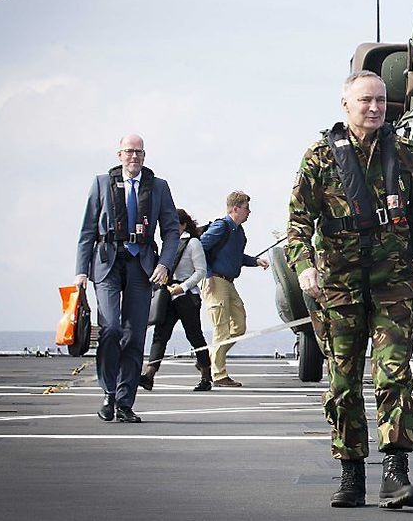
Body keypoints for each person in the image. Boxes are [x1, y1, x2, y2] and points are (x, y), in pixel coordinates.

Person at [287, 70, 413, 509]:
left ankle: (396, 472)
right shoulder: (320, 157)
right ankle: (351, 472)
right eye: (365, 101)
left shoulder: (407, 155)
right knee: (343, 381)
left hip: (393, 282)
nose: (374, 108)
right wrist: (304, 268)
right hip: (338, 285)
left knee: (394, 373)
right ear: (346, 104)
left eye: (380, 101)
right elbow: (298, 225)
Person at [75, 133, 180, 424]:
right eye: (129, 151)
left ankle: (124, 402)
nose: (134, 156)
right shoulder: (100, 184)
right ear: (119, 154)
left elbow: (171, 231)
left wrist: (164, 264)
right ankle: (108, 392)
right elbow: (86, 229)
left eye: (139, 152)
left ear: (144, 156)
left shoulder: (158, 187)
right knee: (109, 328)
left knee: (134, 335)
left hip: (141, 264)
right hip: (107, 262)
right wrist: (81, 271)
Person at [200, 191, 268, 387]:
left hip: (229, 282)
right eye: (246, 208)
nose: (249, 212)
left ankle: (211, 358)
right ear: (235, 208)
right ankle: (219, 375)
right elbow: (200, 247)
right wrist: (207, 275)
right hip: (216, 280)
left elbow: (237, 257)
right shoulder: (221, 226)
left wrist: (255, 261)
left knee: (239, 326)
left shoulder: (239, 232)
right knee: (221, 328)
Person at [140, 209, 212, 392]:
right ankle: (149, 375)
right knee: (160, 334)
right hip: (168, 293)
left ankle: (206, 375)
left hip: (187, 295)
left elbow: (201, 271)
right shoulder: (168, 243)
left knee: (194, 335)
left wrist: (183, 287)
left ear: (183, 225)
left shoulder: (193, 243)